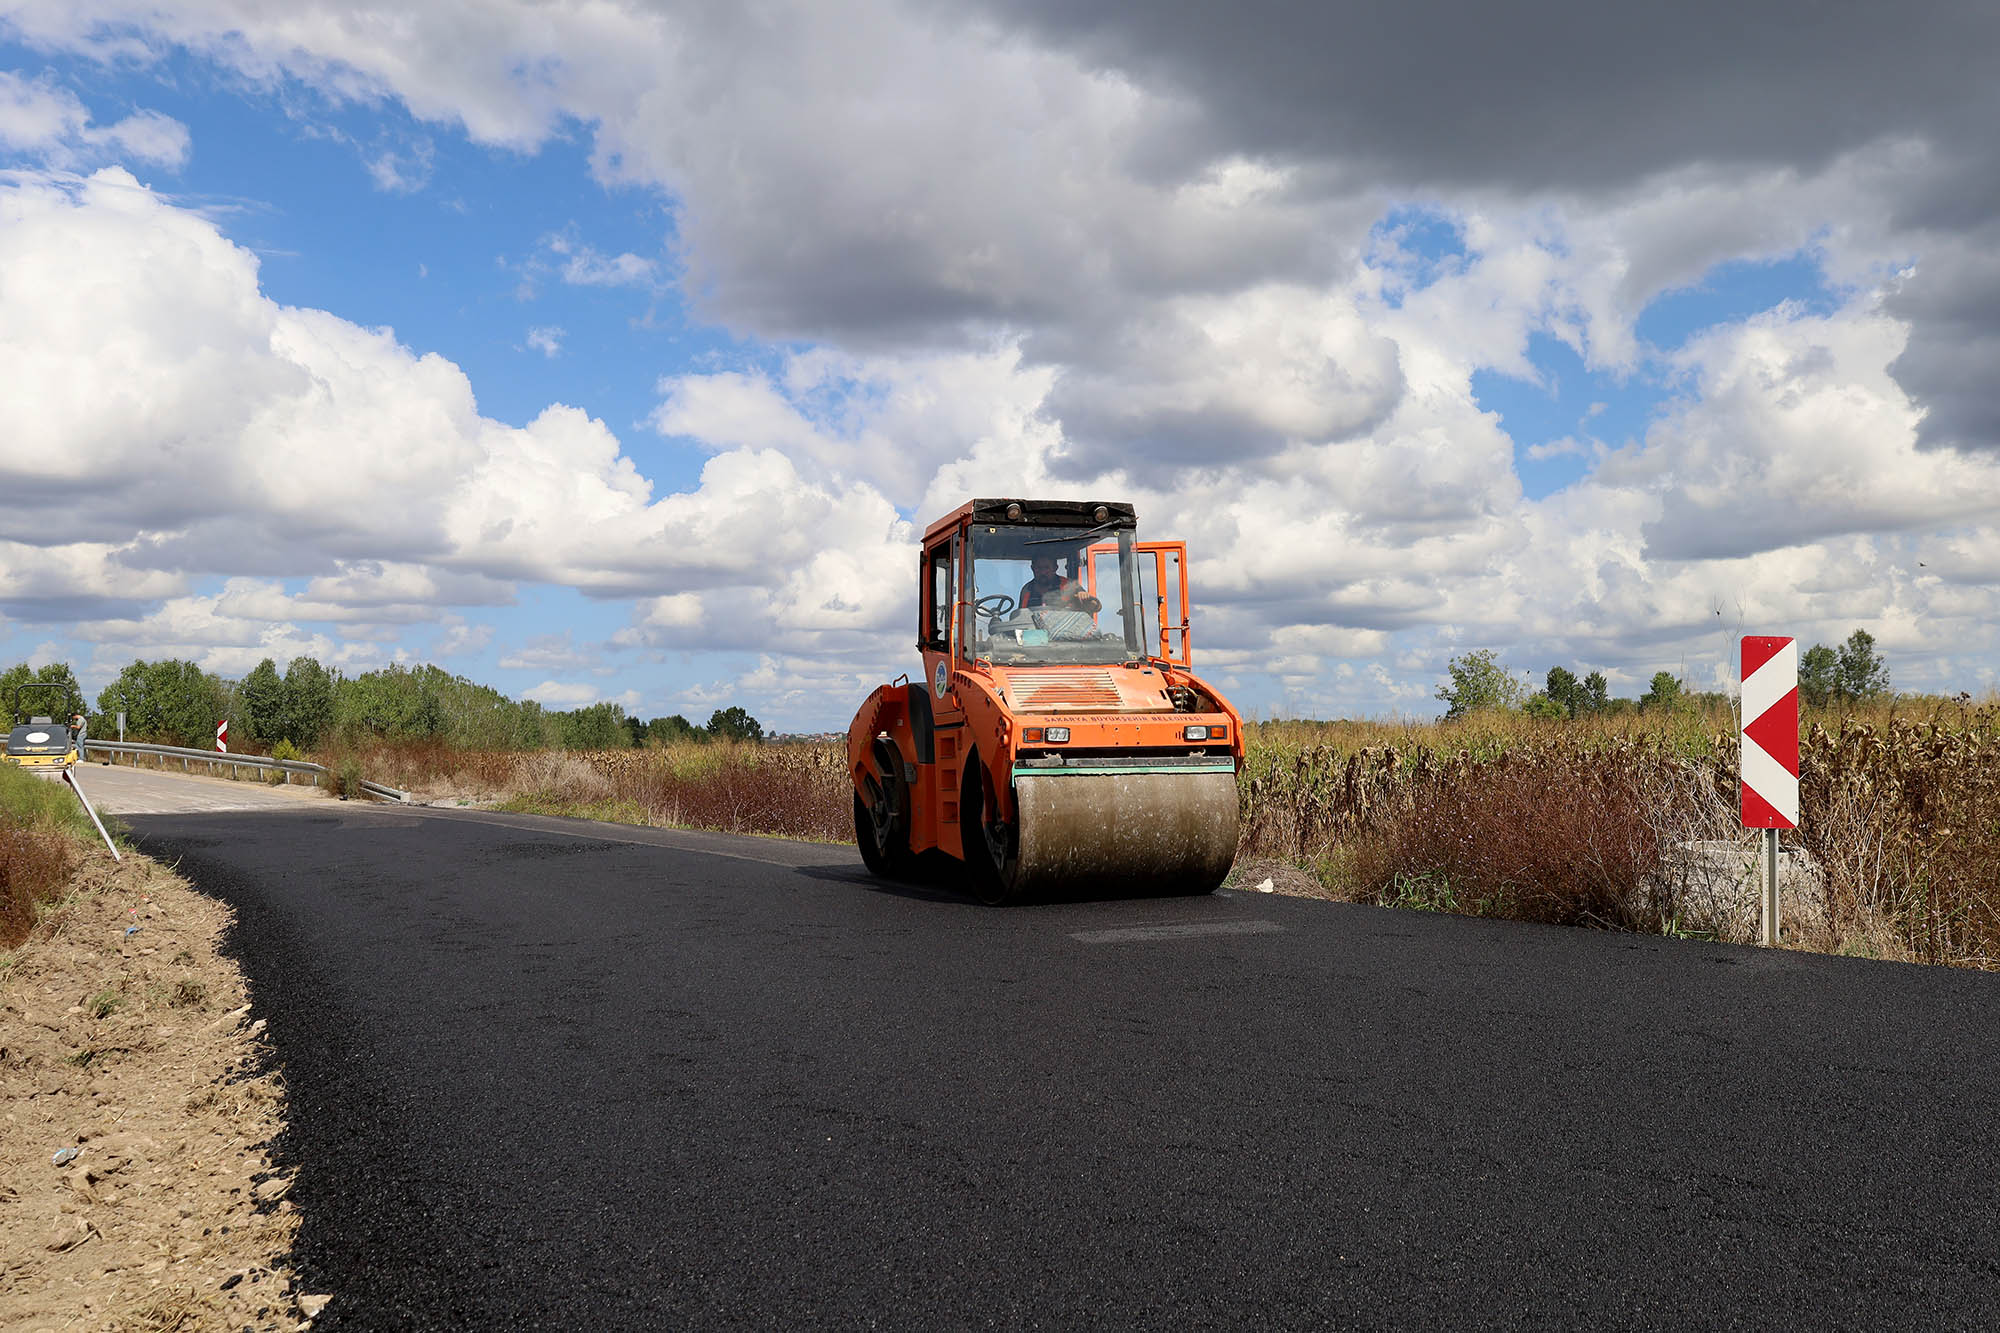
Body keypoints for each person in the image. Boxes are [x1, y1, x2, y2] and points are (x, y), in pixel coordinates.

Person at [1017, 553, 1101, 613]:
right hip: (1034, 635)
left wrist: (1086, 599)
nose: (1043, 572)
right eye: (1039, 568)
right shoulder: (1026, 590)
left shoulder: (1069, 586)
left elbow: (1095, 607)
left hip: (1065, 635)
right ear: (1032, 568)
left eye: (1047, 568)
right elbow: (1021, 618)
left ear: (1055, 568)